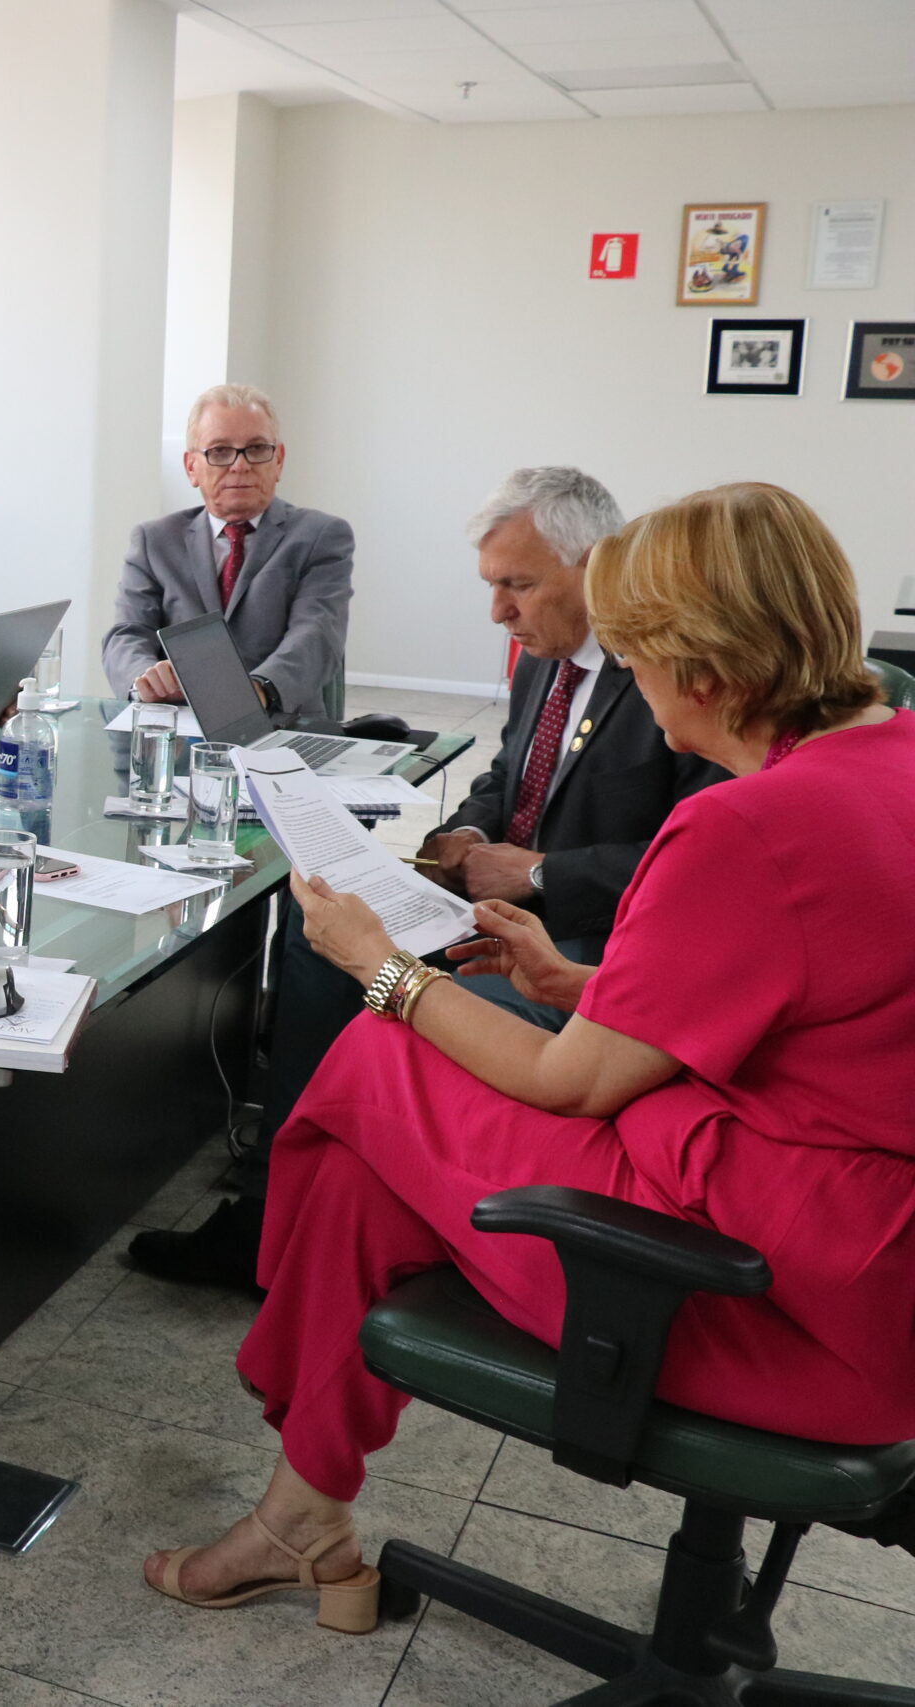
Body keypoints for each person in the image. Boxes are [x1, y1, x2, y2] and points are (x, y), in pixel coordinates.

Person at [142, 482, 915, 1633]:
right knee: (364, 1158)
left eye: (638, 656)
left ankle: (288, 1426)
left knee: (376, 1060)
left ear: (700, 669)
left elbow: (568, 1082)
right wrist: (582, 986)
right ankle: (299, 1516)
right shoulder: (890, 753)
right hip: (864, 1262)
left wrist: (378, 964)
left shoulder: (745, 824)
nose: (631, 680)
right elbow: (811, 997)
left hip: (779, 1299)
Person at [128, 468, 724, 1292]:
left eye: (518, 585)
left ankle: (298, 1218)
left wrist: (543, 871)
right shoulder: (545, 659)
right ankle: (275, 1198)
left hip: (580, 941)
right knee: (320, 926)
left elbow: (693, 864)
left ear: (596, 565)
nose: (499, 611)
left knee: (371, 994)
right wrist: (469, 832)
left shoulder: (668, 677)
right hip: (494, 909)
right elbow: (507, 776)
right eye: (492, 586)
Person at [103, 384, 352, 717]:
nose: (240, 465)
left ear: (278, 460)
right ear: (191, 467)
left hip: (282, 723)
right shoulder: (155, 541)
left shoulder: (321, 535)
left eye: (257, 449)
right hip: (179, 726)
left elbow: (317, 634)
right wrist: (145, 680)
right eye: (220, 451)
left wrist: (258, 689)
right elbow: (128, 633)